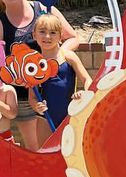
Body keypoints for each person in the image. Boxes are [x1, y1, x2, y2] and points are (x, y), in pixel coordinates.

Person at [0, 0, 79, 149]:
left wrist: (57, 56)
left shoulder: (45, 8)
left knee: (66, 145)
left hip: (55, 93)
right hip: (24, 97)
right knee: (37, 149)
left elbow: (73, 37)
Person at [29, 14, 93, 146]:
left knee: (72, 155)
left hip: (70, 114)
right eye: (42, 32)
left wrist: (83, 94)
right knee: (46, 154)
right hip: (45, 118)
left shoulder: (68, 56)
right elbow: (32, 97)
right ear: (34, 35)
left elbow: (87, 80)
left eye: (53, 33)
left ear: (60, 36)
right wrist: (37, 106)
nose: (47, 37)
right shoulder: (33, 64)